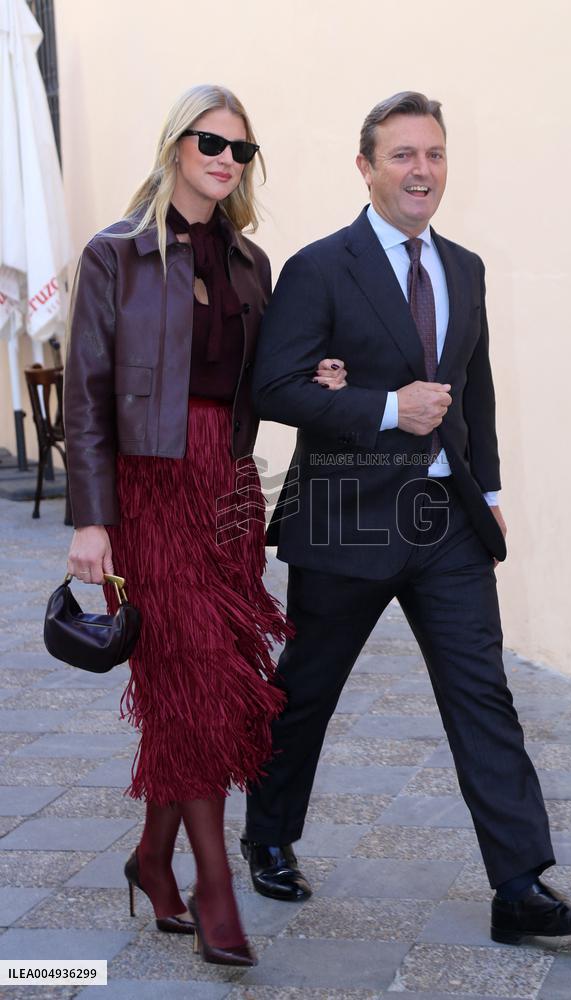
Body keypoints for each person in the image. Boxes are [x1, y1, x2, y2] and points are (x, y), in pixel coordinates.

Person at [242, 91, 571, 945]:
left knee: (483, 694)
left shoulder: (467, 267)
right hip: (347, 514)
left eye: (435, 154)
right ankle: (268, 835)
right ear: (365, 166)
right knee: (305, 693)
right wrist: (382, 408)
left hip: (445, 516)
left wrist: (484, 491)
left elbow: (473, 389)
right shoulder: (320, 267)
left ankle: (519, 885)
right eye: (403, 154)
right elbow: (274, 387)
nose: (422, 170)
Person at [63, 83, 345, 967]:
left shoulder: (250, 264)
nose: (225, 159)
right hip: (148, 490)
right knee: (190, 678)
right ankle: (214, 888)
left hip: (223, 486)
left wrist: (318, 378)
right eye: (209, 142)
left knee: (206, 678)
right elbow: (87, 398)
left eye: (240, 149)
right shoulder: (116, 254)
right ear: (174, 145)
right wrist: (91, 521)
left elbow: (257, 386)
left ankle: (153, 858)